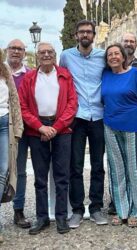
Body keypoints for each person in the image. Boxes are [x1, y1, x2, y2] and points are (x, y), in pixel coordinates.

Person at [19, 42, 77, 235]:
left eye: (49, 52)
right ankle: (42, 218)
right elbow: (23, 107)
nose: (46, 55)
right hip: (37, 131)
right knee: (40, 178)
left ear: (55, 55)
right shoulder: (29, 78)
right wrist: (41, 127)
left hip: (61, 129)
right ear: (37, 56)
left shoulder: (64, 75)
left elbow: (72, 104)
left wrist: (56, 127)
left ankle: (61, 217)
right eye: (42, 52)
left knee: (62, 176)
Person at [60, 20, 108, 228]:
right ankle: (78, 210)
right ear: (76, 35)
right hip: (77, 117)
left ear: (94, 35)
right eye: (82, 32)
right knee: (75, 165)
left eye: (89, 31)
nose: (85, 35)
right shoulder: (66, 56)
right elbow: (61, 81)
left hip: (98, 116)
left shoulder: (102, 56)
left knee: (98, 165)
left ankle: (96, 207)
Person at [102, 43, 137, 227]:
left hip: (133, 124)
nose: (113, 57)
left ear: (123, 56)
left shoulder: (134, 74)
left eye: (116, 53)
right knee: (116, 169)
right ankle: (122, 210)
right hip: (110, 125)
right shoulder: (105, 76)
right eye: (110, 54)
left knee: (134, 169)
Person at [6, 39, 31, 229]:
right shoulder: (1, 71)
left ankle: (18, 209)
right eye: (13, 48)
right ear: (7, 51)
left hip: (27, 129)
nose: (16, 51)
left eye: (19, 49)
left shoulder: (30, 74)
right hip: (5, 127)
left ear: (24, 52)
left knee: (20, 171)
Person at [0, 49, 23, 244]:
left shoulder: (5, 69)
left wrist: (18, 128)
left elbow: (14, 100)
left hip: (4, 124)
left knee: (3, 171)